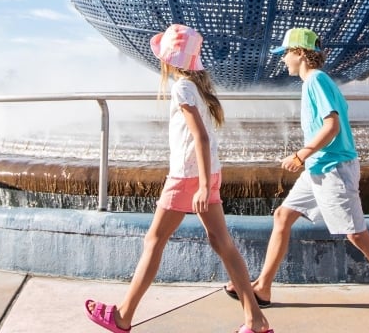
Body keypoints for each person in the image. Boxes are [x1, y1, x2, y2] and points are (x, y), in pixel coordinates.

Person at [85, 24, 274, 333]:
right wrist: (206, 181)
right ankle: (256, 320)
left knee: (154, 240)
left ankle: (122, 316)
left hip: (188, 177)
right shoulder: (197, 87)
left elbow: (199, 137)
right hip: (206, 172)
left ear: (169, 59)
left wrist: (200, 186)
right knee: (222, 242)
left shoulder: (181, 87)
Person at [231, 27, 369, 327]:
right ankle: (263, 287)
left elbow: (331, 126)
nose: (283, 61)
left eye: (285, 54)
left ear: (299, 53)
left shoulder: (316, 80)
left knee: (357, 235)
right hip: (319, 168)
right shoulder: (314, 82)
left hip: (333, 169)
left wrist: (300, 155)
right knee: (283, 215)